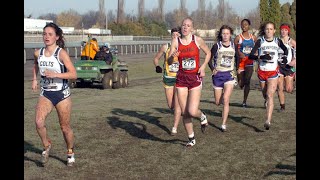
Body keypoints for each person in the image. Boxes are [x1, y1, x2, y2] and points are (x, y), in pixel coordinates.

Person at [31, 22, 77, 166]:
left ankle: (70, 152)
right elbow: (35, 64)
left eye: (50, 34)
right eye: (44, 34)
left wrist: (57, 74)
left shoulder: (61, 53)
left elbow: (73, 74)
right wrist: (34, 79)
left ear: (56, 37)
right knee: (38, 122)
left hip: (62, 94)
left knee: (65, 127)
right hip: (46, 93)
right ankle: (47, 146)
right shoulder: (38, 53)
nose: (46, 37)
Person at [168, 17, 211, 147]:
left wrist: (203, 67)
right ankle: (191, 138)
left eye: (188, 25)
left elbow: (208, 53)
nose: (185, 27)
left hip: (195, 79)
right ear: (181, 27)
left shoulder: (197, 40)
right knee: (184, 112)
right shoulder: (176, 41)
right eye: (183, 25)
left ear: (192, 28)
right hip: (181, 79)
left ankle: (202, 116)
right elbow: (169, 62)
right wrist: (173, 57)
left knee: (192, 111)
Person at [248, 21, 288, 130]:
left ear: (274, 31)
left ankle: (268, 121)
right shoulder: (260, 41)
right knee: (265, 95)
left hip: (273, 72)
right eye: (267, 29)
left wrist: (284, 57)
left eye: (271, 29)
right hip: (262, 72)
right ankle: (266, 100)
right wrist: (260, 58)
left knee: (270, 95)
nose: (269, 31)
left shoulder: (277, 41)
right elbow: (251, 55)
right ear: (264, 30)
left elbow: (285, 50)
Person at [209, 25, 239, 132]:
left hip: (229, 75)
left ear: (230, 34)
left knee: (226, 99)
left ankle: (223, 124)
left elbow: (237, 58)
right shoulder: (217, 46)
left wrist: (238, 69)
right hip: (218, 76)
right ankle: (221, 96)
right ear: (220, 35)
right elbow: (209, 58)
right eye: (223, 33)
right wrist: (212, 68)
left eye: (227, 33)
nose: (225, 36)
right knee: (218, 102)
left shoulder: (234, 46)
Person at [153, 27, 182, 135]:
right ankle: (181, 107)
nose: (175, 37)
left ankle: (174, 127)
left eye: (177, 36)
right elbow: (156, 58)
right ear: (171, 37)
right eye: (173, 35)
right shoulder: (166, 47)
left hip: (179, 79)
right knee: (171, 105)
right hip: (168, 79)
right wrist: (157, 66)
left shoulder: (182, 47)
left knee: (178, 103)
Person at [234, 19, 257, 108]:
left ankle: (244, 101)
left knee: (247, 81)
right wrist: (239, 53)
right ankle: (241, 82)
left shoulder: (253, 37)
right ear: (241, 26)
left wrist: (255, 53)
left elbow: (257, 47)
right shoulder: (238, 38)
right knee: (241, 83)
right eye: (242, 24)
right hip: (240, 63)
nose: (244, 26)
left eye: (246, 24)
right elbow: (235, 49)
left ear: (249, 26)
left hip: (249, 62)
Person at [276, 23, 296, 111]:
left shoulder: (292, 42)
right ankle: (282, 106)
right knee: (280, 87)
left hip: (289, 67)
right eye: (282, 30)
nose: (283, 31)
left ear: (288, 31)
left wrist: (294, 61)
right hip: (279, 66)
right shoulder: (277, 41)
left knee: (288, 89)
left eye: (285, 30)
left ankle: (292, 79)